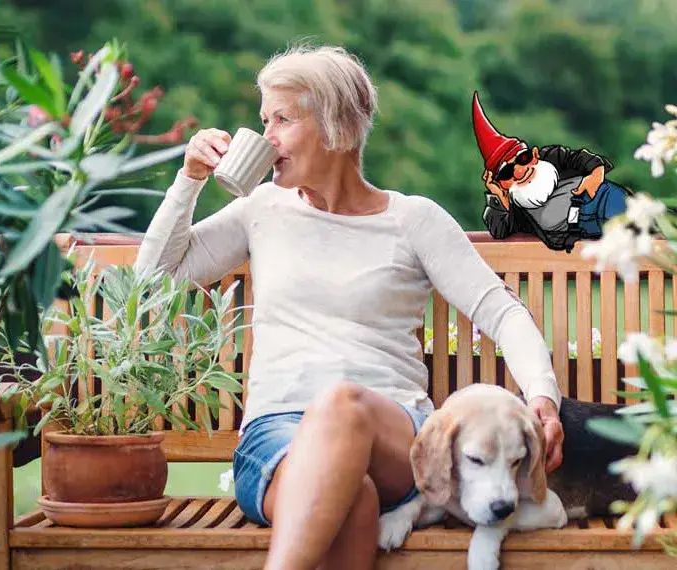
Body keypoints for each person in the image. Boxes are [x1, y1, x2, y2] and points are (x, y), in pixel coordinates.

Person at [133, 44, 566, 570]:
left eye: (282, 120)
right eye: (263, 120)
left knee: (341, 405)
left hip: (392, 434)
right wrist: (190, 179)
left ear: (335, 125)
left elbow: (501, 311)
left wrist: (542, 398)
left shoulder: (413, 220)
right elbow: (153, 280)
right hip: (275, 436)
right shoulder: (260, 210)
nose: (265, 137)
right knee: (354, 501)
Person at [473, 91, 632, 252]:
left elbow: (581, 158)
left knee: (626, 211)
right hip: (579, 243)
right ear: (500, 183)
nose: (519, 172)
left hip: (593, 200)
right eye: (507, 172)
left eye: (523, 158)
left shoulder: (551, 157)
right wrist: (498, 197)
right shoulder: (517, 210)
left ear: (534, 154)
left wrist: (595, 176)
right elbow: (498, 231)